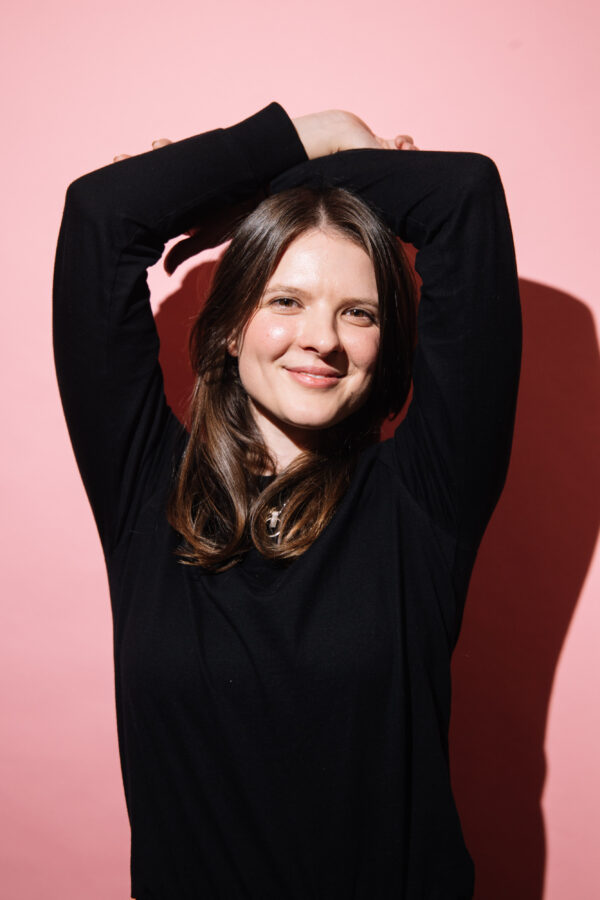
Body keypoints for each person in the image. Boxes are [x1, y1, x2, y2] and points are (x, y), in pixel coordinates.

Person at [53, 102, 522, 900]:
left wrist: (280, 190)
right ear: (232, 327)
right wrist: (320, 136)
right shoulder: (146, 489)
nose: (323, 339)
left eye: (359, 312)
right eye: (286, 301)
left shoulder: (424, 499)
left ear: (389, 342)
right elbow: (101, 216)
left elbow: (465, 197)